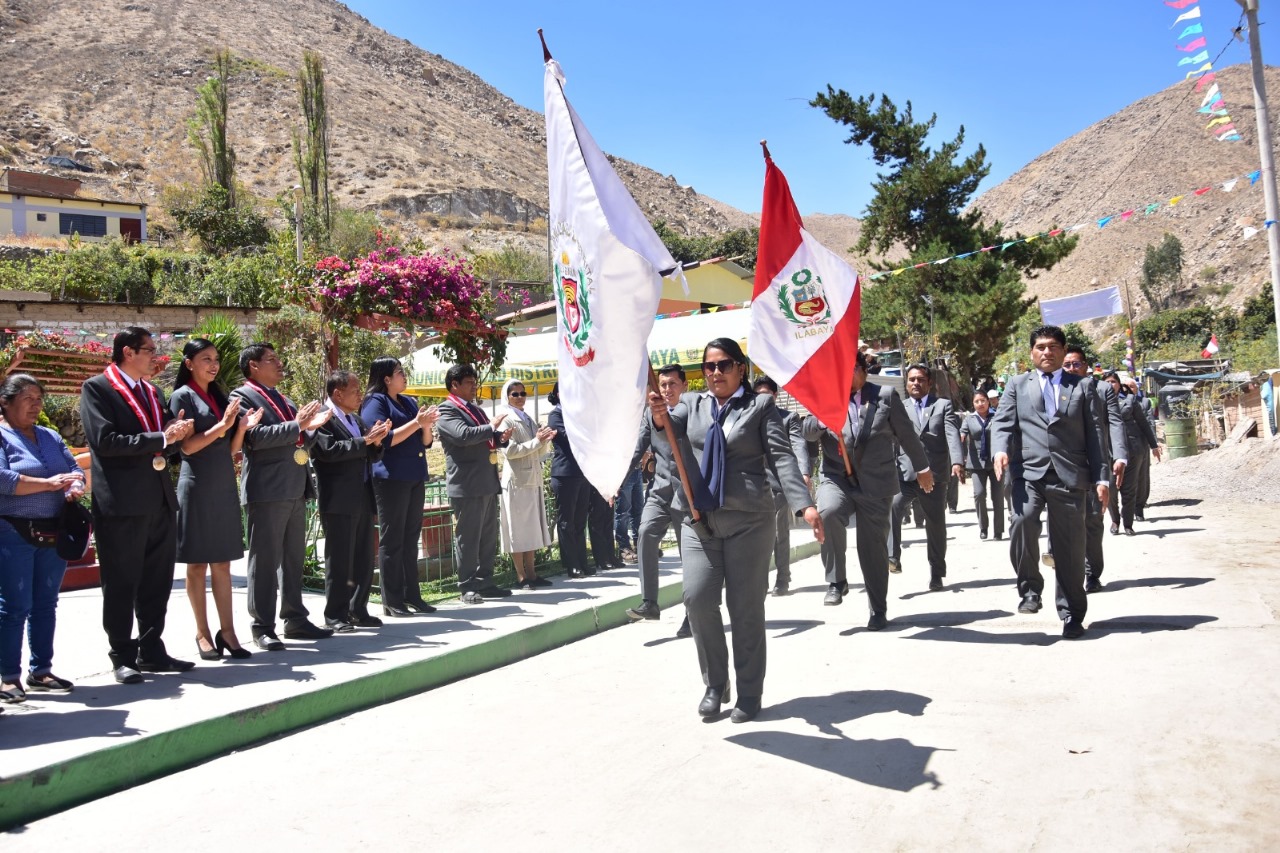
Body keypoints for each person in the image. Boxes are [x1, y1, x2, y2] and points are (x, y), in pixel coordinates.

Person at [653, 338, 820, 724]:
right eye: (709, 367)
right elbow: (666, 429)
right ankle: (715, 684)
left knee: (745, 609)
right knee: (696, 599)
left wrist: (804, 504)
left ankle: (749, 691)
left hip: (749, 521)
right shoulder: (692, 405)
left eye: (724, 365)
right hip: (699, 520)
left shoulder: (759, 407)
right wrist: (657, 413)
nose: (715, 373)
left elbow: (780, 456)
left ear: (740, 369)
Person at [80, 326, 195, 683]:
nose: (155, 356)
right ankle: (122, 655)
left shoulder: (151, 390)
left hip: (158, 498)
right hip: (122, 502)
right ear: (128, 352)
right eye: (148, 350)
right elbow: (106, 441)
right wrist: (163, 436)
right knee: (120, 581)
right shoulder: (97, 388)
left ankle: (152, 649)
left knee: (156, 581)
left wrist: (176, 433)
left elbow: (163, 442)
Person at [992, 325, 1108, 639]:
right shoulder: (1017, 385)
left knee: (1070, 547)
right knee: (1024, 521)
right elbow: (1002, 423)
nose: (1047, 352)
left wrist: (1102, 478)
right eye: (1041, 346)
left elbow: (1097, 437)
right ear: (1032, 352)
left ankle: (1072, 614)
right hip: (1027, 473)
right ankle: (1030, 590)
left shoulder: (1083, 386)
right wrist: (1000, 450)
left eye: (1053, 346)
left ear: (1062, 350)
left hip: (1070, 475)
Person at [803, 350, 929, 628]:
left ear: (861, 370)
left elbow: (906, 434)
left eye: (847, 370)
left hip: (875, 482)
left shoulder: (884, 396)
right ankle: (837, 580)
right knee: (829, 512)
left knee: (872, 548)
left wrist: (922, 469)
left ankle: (878, 609)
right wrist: (826, 418)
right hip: (836, 477)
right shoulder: (827, 395)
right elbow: (807, 431)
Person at [230, 342, 333, 651]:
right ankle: (262, 625)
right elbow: (254, 439)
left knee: (292, 558)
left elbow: (296, 438)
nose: (279, 364)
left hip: (294, 485)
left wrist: (310, 429)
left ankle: (295, 618)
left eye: (278, 358)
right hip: (267, 488)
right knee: (264, 561)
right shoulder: (242, 396)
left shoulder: (284, 399)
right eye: (271, 360)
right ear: (253, 366)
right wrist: (298, 424)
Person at [170, 338, 262, 661]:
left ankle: (229, 631)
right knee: (197, 564)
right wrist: (223, 425)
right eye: (206, 358)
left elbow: (232, 449)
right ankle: (202, 632)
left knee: (222, 562)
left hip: (223, 483)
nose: (213, 364)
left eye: (216, 359)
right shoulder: (182, 396)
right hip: (196, 484)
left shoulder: (219, 397)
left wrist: (240, 428)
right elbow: (186, 448)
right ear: (189, 363)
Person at [0, 375, 86, 702]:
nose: (36, 404)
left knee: (45, 604)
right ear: (5, 402)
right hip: (13, 530)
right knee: (14, 605)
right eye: (27, 397)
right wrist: (50, 484)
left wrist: (74, 485)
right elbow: (4, 480)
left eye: (39, 397)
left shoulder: (49, 435)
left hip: (53, 529)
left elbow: (73, 469)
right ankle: (8, 676)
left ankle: (41, 670)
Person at [360, 357, 439, 618]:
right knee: (392, 539)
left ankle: (412, 594)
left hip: (414, 474)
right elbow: (384, 439)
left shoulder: (408, 402)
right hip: (391, 477)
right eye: (399, 373)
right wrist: (417, 423)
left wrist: (425, 426)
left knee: (410, 538)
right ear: (386, 378)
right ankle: (392, 599)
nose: (404, 377)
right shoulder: (375, 402)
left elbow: (425, 442)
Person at [314, 370, 391, 632]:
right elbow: (328, 452)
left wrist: (376, 442)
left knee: (362, 557)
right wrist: (365, 441)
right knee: (339, 559)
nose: (360, 395)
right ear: (337, 393)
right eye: (356, 390)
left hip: (362, 495)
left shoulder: (354, 419)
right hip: (337, 498)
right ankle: (335, 614)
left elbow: (371, 453)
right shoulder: (323, 418)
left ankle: (358, 609)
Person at [436, 364, 513, 604]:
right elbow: (463, 436)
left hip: (486, 481)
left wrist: (499, 438)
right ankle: (467, 585)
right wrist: (491, 426)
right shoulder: (447, 410)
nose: (474, 387)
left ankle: (485, 581)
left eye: (474, 382)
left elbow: (485, 439)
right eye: (469, 383)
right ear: (454, 385)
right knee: (468, 537)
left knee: (488, 537)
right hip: (467, 484)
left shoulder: (474, 409)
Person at [889, 364, 963, 591]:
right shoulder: (899, 408)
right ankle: (893, 557)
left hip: (934, 475)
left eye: (921, 379)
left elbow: (951, 434)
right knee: (893, 506)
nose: (915, 383)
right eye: (911, 380)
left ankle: (937, 572)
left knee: (936, 525)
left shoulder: (942, 405)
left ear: (929, 383)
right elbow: (891, 439)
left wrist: (958, 461)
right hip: (906, 473)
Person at [625, 364, 687, 622]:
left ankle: (692, 613)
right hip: (660, 491)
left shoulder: (694, 410)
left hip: (688, 496)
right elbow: (638, 448)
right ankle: (649, 601)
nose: (667, 389)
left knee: (690, 555)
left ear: (684, 385)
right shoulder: (650, 416)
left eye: (672, 384)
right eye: (662, 384)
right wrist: (616, 480)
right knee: (645, 533)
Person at [1063, 348, 1127, 592]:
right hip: (1064, 464)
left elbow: (1115, 423)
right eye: (1067, 364)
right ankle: (1063, 564)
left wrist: (1120, 455)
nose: (1071, 369)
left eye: (1076, 364)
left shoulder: (1103, 390)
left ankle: (1092, 574)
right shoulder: (1055, 389)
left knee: (1092, 520)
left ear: (1086, 366)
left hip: (1094, 463)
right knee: (1061, 516)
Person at [751, 376, 809, 597]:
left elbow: (798, 443)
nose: (762, 399)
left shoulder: (788, 418)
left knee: (778, 532)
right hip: (753, 486)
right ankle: (760, 580)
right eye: (758, 395)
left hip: (779, 484)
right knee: (756, 536)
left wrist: (803, 472)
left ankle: (782, 578)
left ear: (775, 396)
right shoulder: (748, 418)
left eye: (767, 395)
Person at [496, 380, 556, 590]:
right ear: (507, 396)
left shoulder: (528, 418)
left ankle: (532, 572)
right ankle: (521, 576)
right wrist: (536, 441)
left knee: (531, 528)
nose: (520, 397)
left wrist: (545, 440)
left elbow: (537, 452)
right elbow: (510, 452)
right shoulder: (505, 419)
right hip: (517, 481)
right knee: (517, 529)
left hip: (533, 479)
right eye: (515, 394)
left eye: (523, 393)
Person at [1104, 373, 1160, 536]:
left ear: (1119, 385)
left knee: (1129, 489)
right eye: (1106, 382)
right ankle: (1115, 520)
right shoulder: (1097, 402)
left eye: (1113, 381)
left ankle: (1128, 523)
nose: (1110, 384)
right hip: (1109, 452)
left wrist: (1153, 445)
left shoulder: (1129, 400)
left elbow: (1143, 423)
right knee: (1112, 488)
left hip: (1132, 450)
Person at [548, 383, 592, 579]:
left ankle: (582, 561)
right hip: (565, 473)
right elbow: (569, 438)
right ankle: (572, 564)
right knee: (567, 522)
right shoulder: (555, 415)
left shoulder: (577, 414)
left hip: (582, 473)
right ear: (559, 394)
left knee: (580, 520)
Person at [961, 389, 1004, 541]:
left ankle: (998, 530)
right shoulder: (969, 419)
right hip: (976, 463)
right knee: (979, 495)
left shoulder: (997, 416)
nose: (980, 404)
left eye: (983, 401)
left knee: (998, 496)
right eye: (976, 401)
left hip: (995, 462)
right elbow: (962, 434)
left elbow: (1003, 433)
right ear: (973, 404)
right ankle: (983, 527)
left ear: (988, 401)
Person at [1128, 378, 1159, 521]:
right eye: (1126, 387)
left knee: (1142, 476)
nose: (1129, 389)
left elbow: (1150, 422)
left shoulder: (1144, 402)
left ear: (1137, 389)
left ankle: (1139, 506)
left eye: (1132, 387)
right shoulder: (1114, 402)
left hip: (1141, 443)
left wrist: (1154, 443)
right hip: (1122, 445)